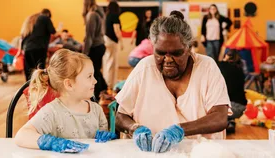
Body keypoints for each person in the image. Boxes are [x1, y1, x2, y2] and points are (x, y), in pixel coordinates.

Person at [115, 11, 231, 153]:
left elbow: (220, 117)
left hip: (200, 153)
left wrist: (180, 130)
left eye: (176, 53)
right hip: (152, 153)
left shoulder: (207, 68)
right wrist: (135, 128)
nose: (168, 59)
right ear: (153, 48)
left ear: (189, 48)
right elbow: (121, 115)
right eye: (160, 53)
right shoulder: (144, 68)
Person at [14, 49, 117, 153]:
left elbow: (102, 149)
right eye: (89, 76)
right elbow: (21, 136)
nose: (95, 81)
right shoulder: (52, 112)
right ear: (69, 84)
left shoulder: (97, 110)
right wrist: (51, 142)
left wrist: (107, 139)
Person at [21, 9, 57, 81]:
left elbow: (23, 35)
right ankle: (40, 88)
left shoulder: (30, 19)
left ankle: (29, 88)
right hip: (39, 47)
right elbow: (53, 31)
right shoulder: (45, 18)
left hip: (27, 48)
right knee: (40, 70)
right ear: (48, 14)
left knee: (29, 71)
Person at [83, 0, 107, 101]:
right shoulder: (99, 13)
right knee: (96, 70)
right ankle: (103, 88)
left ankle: (95, 97)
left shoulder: (91, 15)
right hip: (100, 45)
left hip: (95, 46)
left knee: (93, 72)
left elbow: (89, 36)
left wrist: (84, 53)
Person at [218, 49, 247, 134]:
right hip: (241, 107)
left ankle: (224, 123)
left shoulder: (221, 65)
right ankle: (230, 122)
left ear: (226, 56)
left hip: (227, 107)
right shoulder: (240, 69)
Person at [103, 1, 124, 89]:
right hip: (112, 41)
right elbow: (117, 30)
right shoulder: (115, 16)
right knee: (112, 63)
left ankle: (109, 82)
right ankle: (110, 84)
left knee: (107, 61)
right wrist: (122, 42)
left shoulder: (107, 16)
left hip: (106, 39)